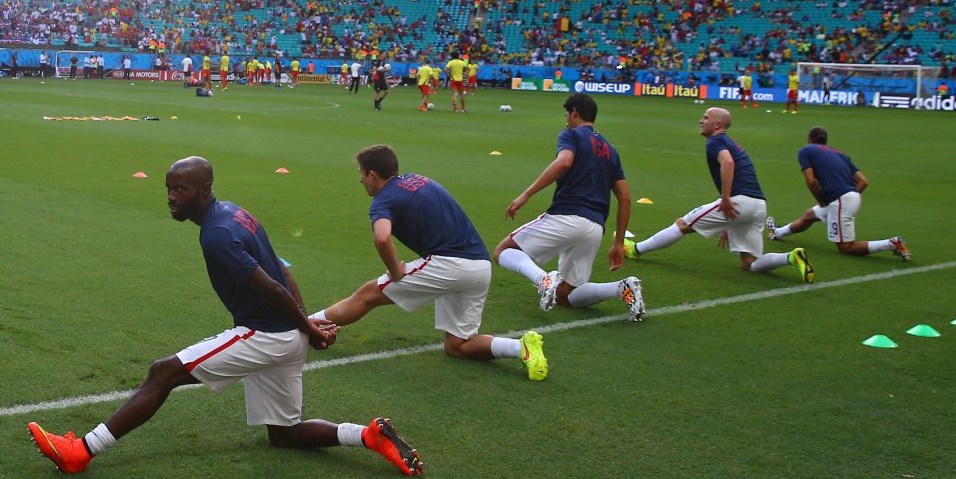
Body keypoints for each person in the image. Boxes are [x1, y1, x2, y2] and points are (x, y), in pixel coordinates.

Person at [27, 157, 423, 477]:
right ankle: (368, 436)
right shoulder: (236, 213)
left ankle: (81, 451)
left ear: (204, 190)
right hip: (286, 339)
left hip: (265, 336)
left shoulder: (216, 233)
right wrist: (306, 325)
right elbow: (283, 269)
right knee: (284, 434)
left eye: (180, 189)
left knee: (163, 372)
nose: (171, 197)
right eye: (168, 188)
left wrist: (307, 325)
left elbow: (270, 285)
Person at [311, 145, 547, 381]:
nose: (360, 180)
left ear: (373, 174)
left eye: (361, 174)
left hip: (450, 264)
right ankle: (521, 348)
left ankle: (306, 323)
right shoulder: (417, 179)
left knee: (368, 294)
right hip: (480, 266)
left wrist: (395, 272)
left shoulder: (383, 200)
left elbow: (382, 238)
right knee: (457, 346)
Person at [494, 93, 644, 320]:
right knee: (567, 294)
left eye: (567, 114)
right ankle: (620, 288)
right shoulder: (610, 150)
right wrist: (618, 242)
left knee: (504, 251)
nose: (566, 119)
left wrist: (526, 194)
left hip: (566, 215)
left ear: (574, 112)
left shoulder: (571, 135)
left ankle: (542, 279)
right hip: (594, 226)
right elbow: (625, 198)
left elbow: (564, 161)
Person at [624, 107, 812, 281]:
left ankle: (636, 249)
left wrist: (725, 198)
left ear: (717, 125)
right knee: (750, 263)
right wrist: (729, 222)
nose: (700, 121)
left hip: (739, 201)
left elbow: (727, 163)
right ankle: (791, 257)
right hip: (758, 205)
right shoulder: (728, 141)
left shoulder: (716, 141)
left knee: (683, 224)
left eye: (705, 118)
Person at [767, 126, 910, 260]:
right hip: (848, 197)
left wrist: (822, 200)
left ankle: (891, 244)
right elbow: (863, 182)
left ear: (809, 138)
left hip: (839, 200)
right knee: (809, 216)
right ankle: (777, 233)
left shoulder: (806, 150)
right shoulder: (840, 154)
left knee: (846, 248)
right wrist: (848, 196)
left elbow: (811, 181)